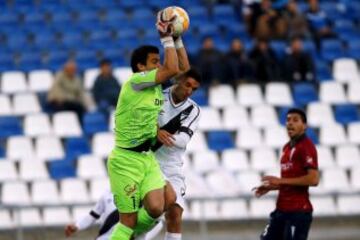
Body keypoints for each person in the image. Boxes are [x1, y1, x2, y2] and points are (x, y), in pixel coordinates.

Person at [107, 10, 190, 240]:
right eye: (155, 62)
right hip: (125, 161)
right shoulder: (135, 83)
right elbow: (172, 69)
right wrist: (164, 37)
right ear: (141, 67)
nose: (160, 65)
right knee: (128, 221)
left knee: (160, 205)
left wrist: (177, 38)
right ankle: (124, 233)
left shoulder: (155, 86)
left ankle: (129, 235)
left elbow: (182, 70)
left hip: (146, 159)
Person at [253, 108, 319, 240]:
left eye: (295, 120)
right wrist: (273, 187)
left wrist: (281, 181)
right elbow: (292, 180)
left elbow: (313, 179)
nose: (290, 123)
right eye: (288, 120)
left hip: (298, 213)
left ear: (304, 126)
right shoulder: (286, 148)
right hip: (281, 211)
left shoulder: (306, 146)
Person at [152, 68, 201, 240]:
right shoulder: (157, 97)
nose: (189, 91)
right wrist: (155, 131)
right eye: (187, 85)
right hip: (149, 162)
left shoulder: (193, 110)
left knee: (175, 213)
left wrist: (159, 132)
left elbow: (182, 141)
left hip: (172, 167)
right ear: (178, 80)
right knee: (151, 213)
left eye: (194, 89)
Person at [64, 189, 163, 240]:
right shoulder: (107, 193)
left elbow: (158, 223)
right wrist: (77, 226)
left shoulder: (142, 194)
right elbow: (92, 216)